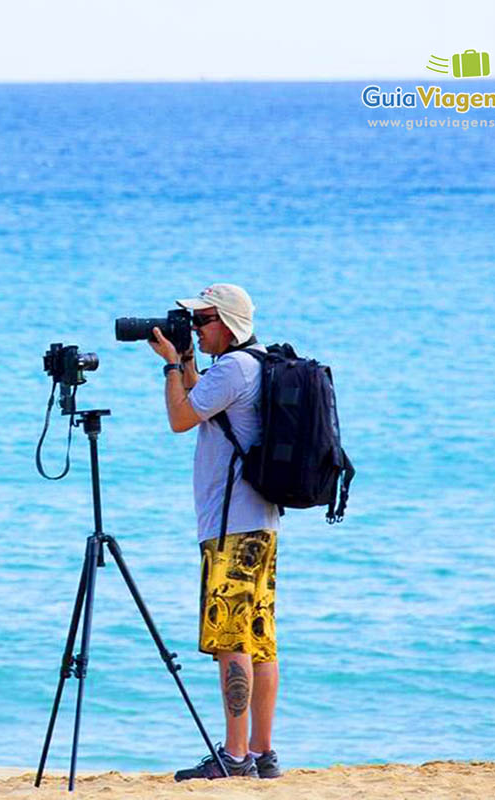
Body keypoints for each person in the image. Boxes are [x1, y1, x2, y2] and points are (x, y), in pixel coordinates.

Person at [147, 283, 282, 781]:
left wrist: (168, 365)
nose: (196, 329)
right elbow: (203, 394)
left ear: (226, 323)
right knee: (259, 639)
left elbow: (182, 417)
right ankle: (263, 753)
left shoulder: (234, 369)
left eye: (202, 321)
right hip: (259, 524)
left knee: (231, 640)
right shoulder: (257, 363)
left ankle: (235, 753)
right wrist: (186, 360)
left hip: (231, 527)